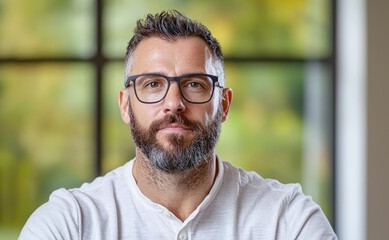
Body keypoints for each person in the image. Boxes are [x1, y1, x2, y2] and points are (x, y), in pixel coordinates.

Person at [19, 10, 337, 239]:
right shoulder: (67, 224)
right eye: (153, 84)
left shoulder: (289, 221)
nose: (174, 103)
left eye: (195, 84)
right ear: (125, 105)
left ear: (223, 105)